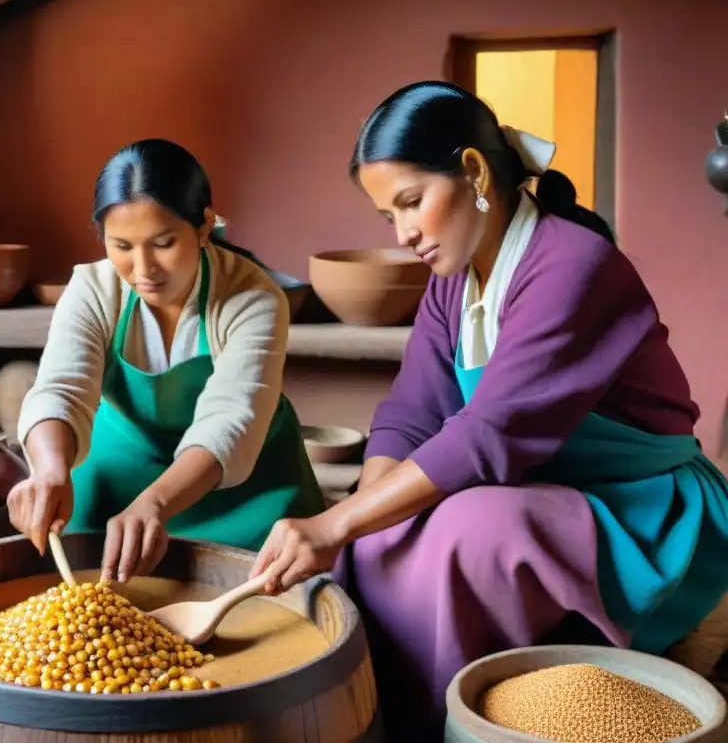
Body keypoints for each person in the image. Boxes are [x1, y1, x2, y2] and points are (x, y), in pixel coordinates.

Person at [248, 81, 728, 738]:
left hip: (645, 507)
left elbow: (487, 433)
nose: (404, 232)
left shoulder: (573, 265)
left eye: (412, 203)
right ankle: (376, 715)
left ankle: (450, 726)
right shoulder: (454, 283)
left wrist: (336, 524)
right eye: (389, 216)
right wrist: (358, 519)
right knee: (376, 533)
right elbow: (413, 412)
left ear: (472, 170)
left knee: (465, 530)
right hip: (542, 483)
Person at [9, 138, 325, 585]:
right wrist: (50, 471)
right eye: (121, 246)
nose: (144, 269)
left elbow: (230, 422)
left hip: (246, 486)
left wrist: (155, 503)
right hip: (122, 469)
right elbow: (61, 389)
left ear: (204, 226)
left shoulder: (254, 297)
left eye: (163, 243)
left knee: (277, 595)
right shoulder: (92, 289)